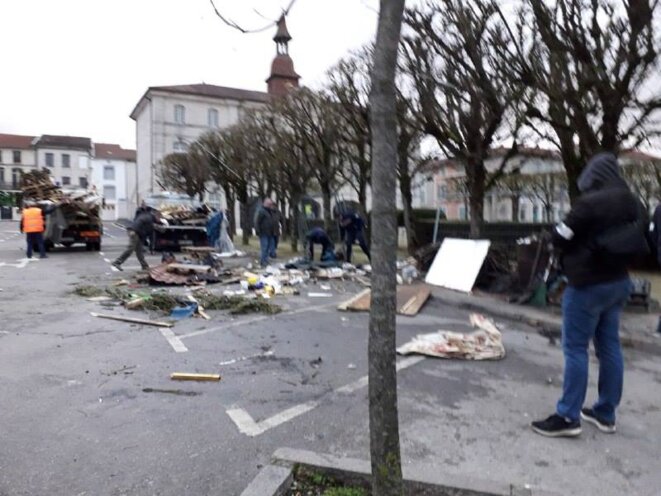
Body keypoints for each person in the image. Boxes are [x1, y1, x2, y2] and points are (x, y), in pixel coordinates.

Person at [531, 152, 646, 438]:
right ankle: (605, 413)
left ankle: (568, 416)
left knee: (575, 348)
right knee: (609, 347)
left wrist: (555, 234)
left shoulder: (589, 204)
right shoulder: (631, 201)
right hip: (619, 282)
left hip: (587, 285)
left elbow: (561, 236)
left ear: (593, 176)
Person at [255, 198, 276, 267]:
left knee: (268, 248)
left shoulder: (270, 211)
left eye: (271, 204)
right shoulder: (262, 211)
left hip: (270, 233)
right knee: (264, 247)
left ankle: (266, 261)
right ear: (265, 203)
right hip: (264, 232)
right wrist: (258, 231)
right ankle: (263, 261)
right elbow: (257, 222)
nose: (270, 205)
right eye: (269, 204)